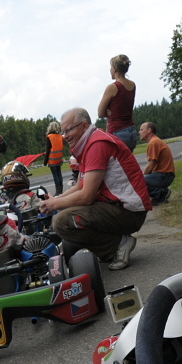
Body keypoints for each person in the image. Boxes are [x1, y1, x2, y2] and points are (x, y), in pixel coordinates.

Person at [38, 107, 151, 270]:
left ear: (84, 126)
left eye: (68, 130)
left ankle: (119, 244)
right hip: (122, 208)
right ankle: (111, 248)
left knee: (61, 221)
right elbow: (80, 185)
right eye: (63, 132)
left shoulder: (97, 145)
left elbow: (86, 196)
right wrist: (56, 200)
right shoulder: (90, 143)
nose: (65, 136)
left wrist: (54, 205)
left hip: (130, 212)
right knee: (66, 211)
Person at [98, 54, 137, 151]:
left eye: (111, 67)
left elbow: (100, 113)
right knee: (127, 160)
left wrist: (107, 112)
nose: (110, 70)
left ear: (115, 69)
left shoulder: (113, 87)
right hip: (131, 131)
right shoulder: (132, 85)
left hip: (117, 132)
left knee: (114, 161)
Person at [139, 122, 175, 204]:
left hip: (164, 176)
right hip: (166, 175)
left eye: (141, 129)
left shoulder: (153, 143)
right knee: (140, 178)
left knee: (138, 180)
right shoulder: (155, 141)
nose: (139, 132)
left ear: (149, 130)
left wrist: (141, 177)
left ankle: (161, 194)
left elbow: (150, 166)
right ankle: (160, 195)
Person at [44, 120, 66, 196]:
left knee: (55, 175)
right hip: (59, 158)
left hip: (52, 159)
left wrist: (45, 161)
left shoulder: (49, 137)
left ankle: (57, 191)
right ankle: (61, 190)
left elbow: (48, 150)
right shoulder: (60, 136)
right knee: (59, 174)